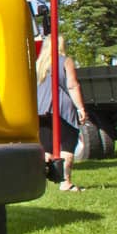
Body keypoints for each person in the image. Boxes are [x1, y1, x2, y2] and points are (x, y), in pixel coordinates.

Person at [36, 35, 89, 191]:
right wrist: (80, 108)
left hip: (40, 110)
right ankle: (65, 182)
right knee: (67, 145)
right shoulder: (65, 61)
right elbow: (72, 86)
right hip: (61, 109)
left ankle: (42, 181)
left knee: (46, 148)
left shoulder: (38, 64)